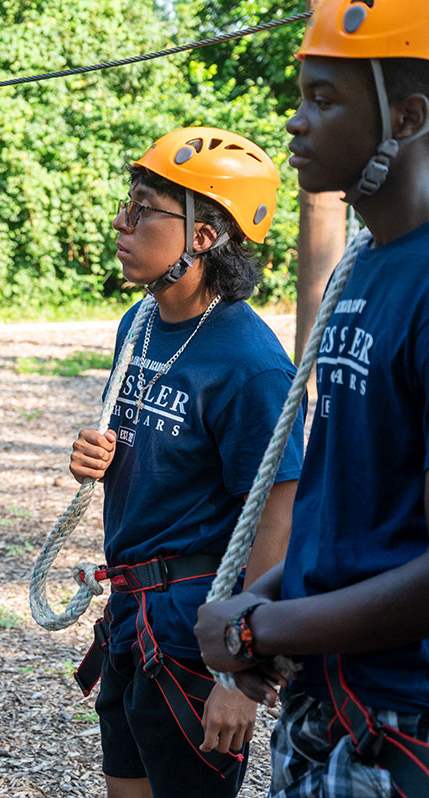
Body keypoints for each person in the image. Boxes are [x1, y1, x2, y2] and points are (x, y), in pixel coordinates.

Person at [195, 3, 429, 796]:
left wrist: (262, 623)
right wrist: (260, 596)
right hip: (328, 698)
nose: (295, 124)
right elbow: (356, 505)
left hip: (404, 722)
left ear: (408, 117)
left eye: (323, 100)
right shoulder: (360, 273)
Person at [67, 126, 304, 798]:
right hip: (132, 615)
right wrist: (105, 457)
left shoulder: (250, 365)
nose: (122, 222)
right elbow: (154, 451)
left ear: (204, 236)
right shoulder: (137, 325)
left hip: (196, 631)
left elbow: (277, 515)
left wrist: (242, 669)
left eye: (144, 209)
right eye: (126, 203)